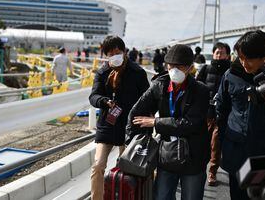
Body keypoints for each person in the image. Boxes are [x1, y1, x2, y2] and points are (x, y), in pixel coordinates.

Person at [127, 44, 210, 200]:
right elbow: (135, 114)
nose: (175, 70)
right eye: (172, 65)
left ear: (190, 68)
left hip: (194, 157)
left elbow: (190, 124)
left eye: (180, 66)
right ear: (166, 65)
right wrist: (132, 145)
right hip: (166, 156)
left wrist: (156, 122)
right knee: (161, 197)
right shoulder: (159, 86)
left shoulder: (201, 91)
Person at [216, 30, 265, 200]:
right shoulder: (231, 75)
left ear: (264, 57)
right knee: (238, 195)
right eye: (240, 57)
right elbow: (221, 111)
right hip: (237, 151)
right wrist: (221, 145)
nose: (243, 63)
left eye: (249, 59)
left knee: (262, 196)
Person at [89, 36, 150, 200]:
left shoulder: (137, 72)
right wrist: (104, 101)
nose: (114, 56)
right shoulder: (102, 72)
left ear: (124, 52)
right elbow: (93, 96)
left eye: (117, 52)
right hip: (107, 126)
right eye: (110, 53)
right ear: (106, 55)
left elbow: (148, 98)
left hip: (130, 127)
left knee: (127, 167)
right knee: (98, 165)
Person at [196, 42, 231, 186]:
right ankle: (198, 167)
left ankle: (212, 172)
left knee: (215, 144)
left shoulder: (231, 71)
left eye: (222, 52)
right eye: (217, 52)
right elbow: (196, 87)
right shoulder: (205, 69)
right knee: (201, 141)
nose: (219, 54)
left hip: (222, 114)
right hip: (205, 113)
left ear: (228, 55)